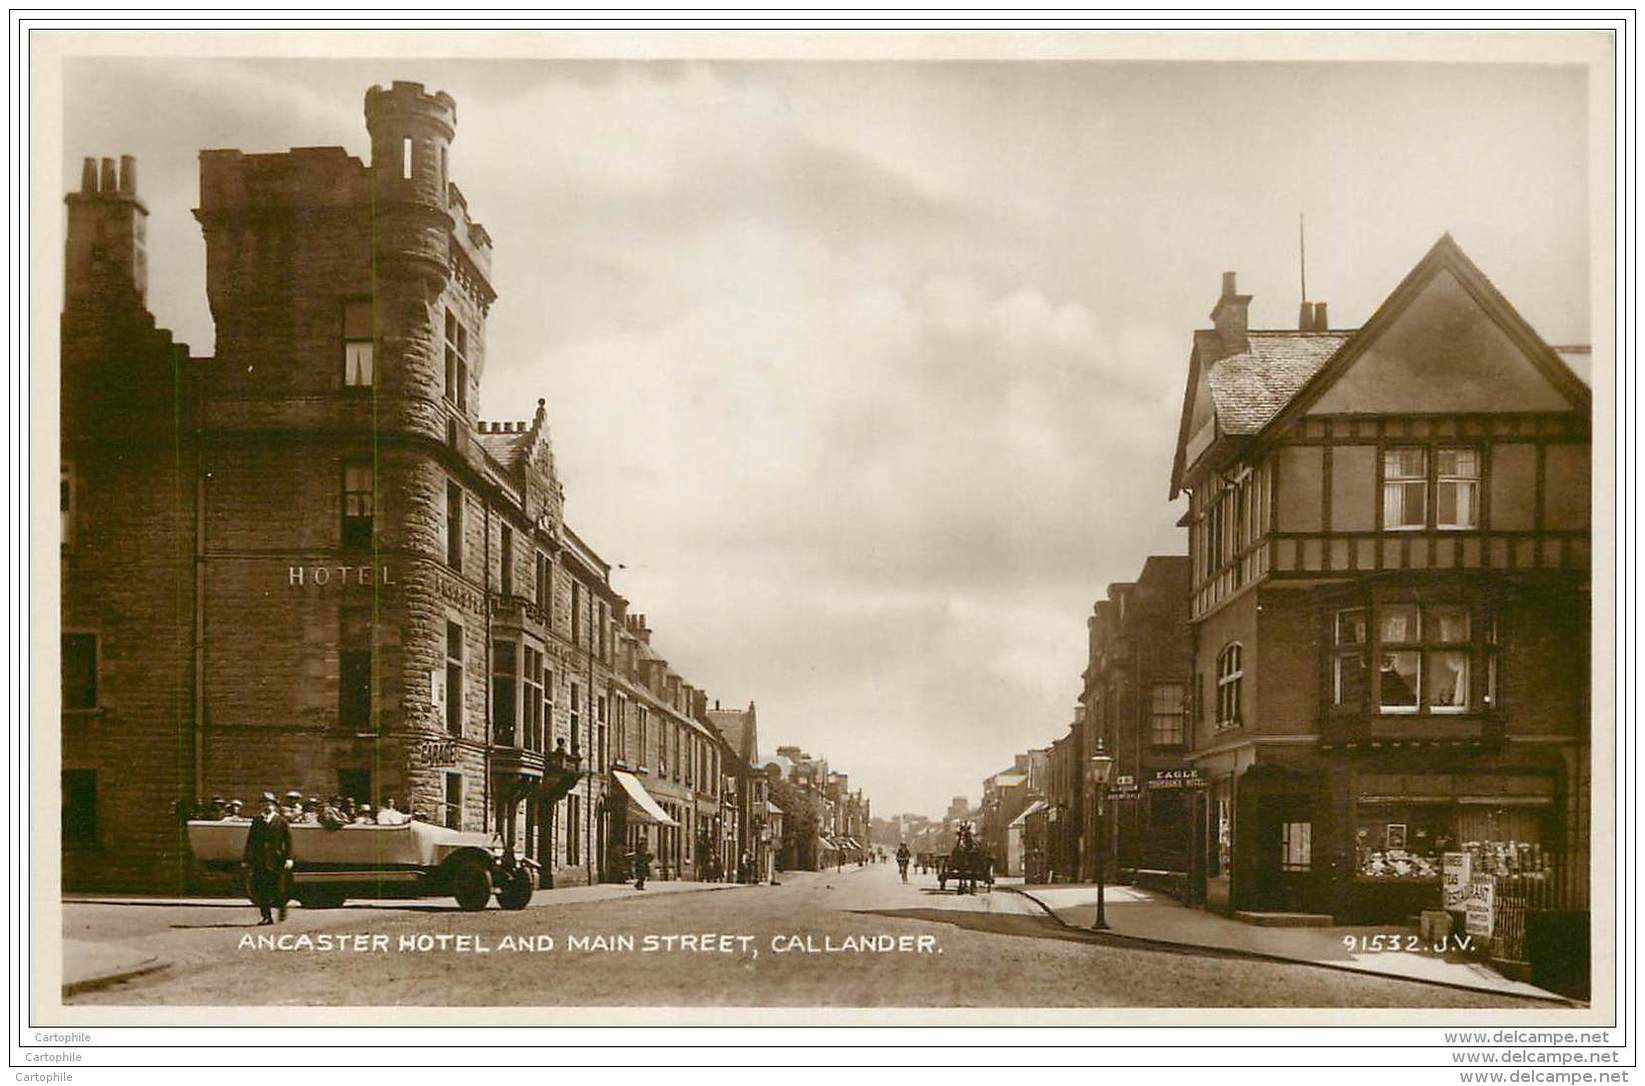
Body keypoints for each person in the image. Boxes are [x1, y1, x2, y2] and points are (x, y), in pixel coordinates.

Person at [242, 791, 293, 925]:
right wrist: (246, 859)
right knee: (261, 889)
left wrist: (288, 858)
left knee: (277, 889)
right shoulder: (257, 821)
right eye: (264, 804)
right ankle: (266, 917)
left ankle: (282, 908)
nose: (267, 807)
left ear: (274, 806)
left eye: (269, 804)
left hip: (276, 860)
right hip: (260, 860)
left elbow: (288, 841)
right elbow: (251, 841)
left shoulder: (281, 821)